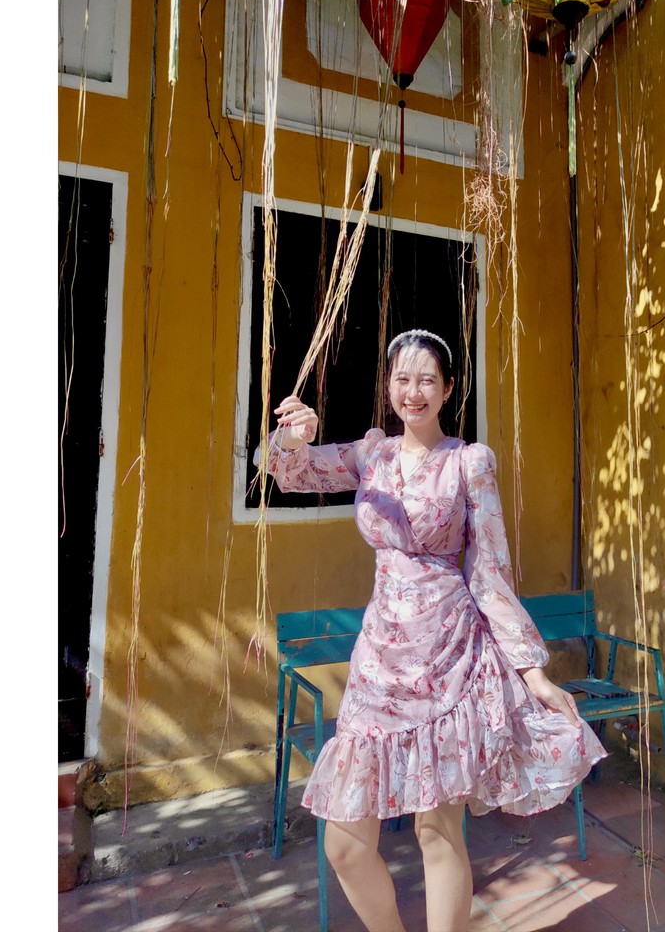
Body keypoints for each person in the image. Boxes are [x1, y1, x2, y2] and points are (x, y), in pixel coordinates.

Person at [255, 329, 606, 932]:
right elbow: (286, 471)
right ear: (389, 386)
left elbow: (490, 571)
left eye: (426, 380)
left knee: (437, 833)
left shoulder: (470, 463)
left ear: (447, 389)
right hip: (379, 664)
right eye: (402, 379)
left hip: (450, 659)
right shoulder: (372, 454)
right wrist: (291, 437)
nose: (412, 392)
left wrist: (534, 674)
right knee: (344, 844)